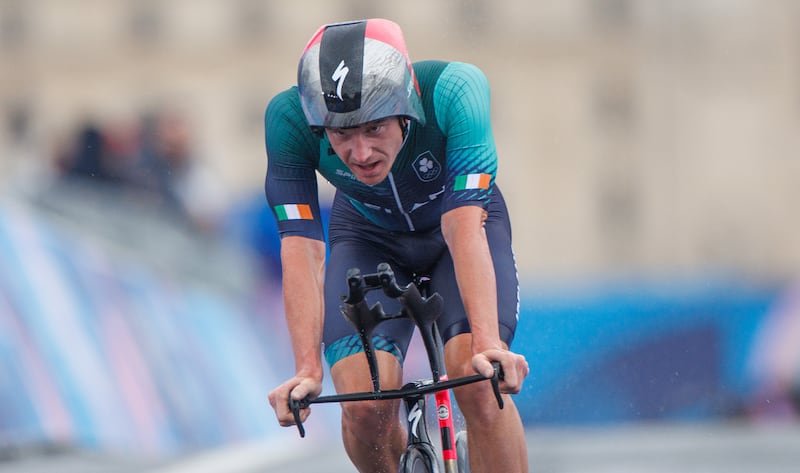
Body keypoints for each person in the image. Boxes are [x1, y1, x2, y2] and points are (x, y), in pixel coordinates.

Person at [265, 19, 529, 472]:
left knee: (477, 381)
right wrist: (307, 369)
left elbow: (462, 227)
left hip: (459, 226)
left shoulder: (455, 90)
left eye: (375, 128)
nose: (361, 153)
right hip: (368, 236)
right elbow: (302, 247)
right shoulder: (287, 119)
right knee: (367, 404)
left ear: (406, 108)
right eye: (341, 134)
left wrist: (487, 343)